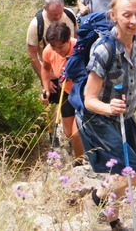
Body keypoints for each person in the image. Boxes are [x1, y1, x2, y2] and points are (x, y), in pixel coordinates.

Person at [78, 0, 136, 231]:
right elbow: (88, 99)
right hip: (98, 118)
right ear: (113, 16)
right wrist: (109, 107)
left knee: (120, 172)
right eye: (127, 15)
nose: (133, 21)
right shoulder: (103, 49)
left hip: (126, 116)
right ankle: (95, 198)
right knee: (134, 172)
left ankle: (113, 221)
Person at [40, 22, 84, 164]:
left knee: (77, 134)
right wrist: (46, 88)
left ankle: (79, 163)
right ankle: (81, 151)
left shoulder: (81, 48)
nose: (57, 50)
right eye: (53, 46)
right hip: (65, 92)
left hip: (83, 94)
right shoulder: (48, 50)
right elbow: (46, 68)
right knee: (68, 133)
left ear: (68, 40)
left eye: (60, 47)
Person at [26, 0, 77, 84]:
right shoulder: (36, 25)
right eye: (53, 14)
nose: (57, 17)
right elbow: (32, 55)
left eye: (60, 13)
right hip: (52, 76)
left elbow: (77, 38)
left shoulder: (70, 14)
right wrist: (45, 80)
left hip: (73, 72)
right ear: (44, 8)